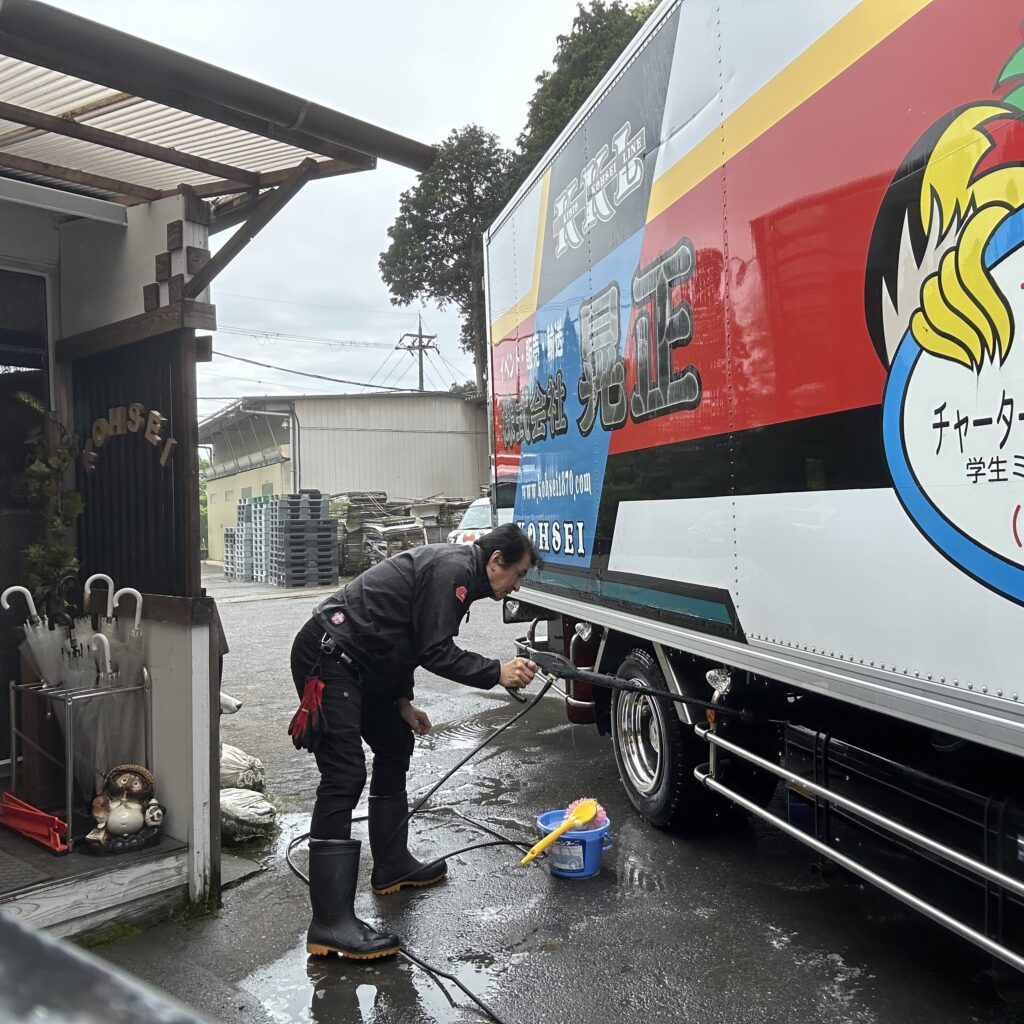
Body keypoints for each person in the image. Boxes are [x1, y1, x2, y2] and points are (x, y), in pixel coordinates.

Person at [288, 523, 539, 960]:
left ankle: (390, 865)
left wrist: (402, 701)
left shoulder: (462, 571)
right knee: (344, 775)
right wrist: (496, 671)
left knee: (394, 744)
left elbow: (403, 637)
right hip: (329, 656)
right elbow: (436, 650)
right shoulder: (455, 570)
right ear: (496, 560)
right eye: (518, 574)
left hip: (364, 662)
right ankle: (330, 923)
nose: (517, 585)